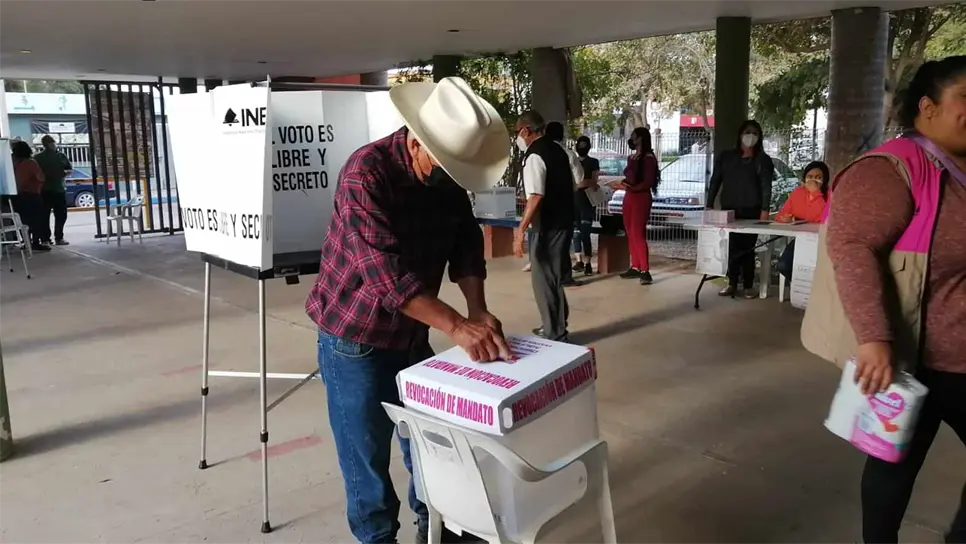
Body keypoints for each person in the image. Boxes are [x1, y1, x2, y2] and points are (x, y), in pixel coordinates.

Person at [304, 76, 510, 544]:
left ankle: (434, 528)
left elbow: (465, 245)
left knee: (430, 444)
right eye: (444, 167)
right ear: (417, 142)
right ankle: (378, 538)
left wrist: (477, 311)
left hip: (414, 333)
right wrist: (457, 326)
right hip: (355, 339)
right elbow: (385, 276)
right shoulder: (366, 173)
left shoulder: (447, 178)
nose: (450, 180)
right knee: (366, 457)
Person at [802, 56, 966, 544]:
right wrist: (873, 338)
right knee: (893, 461)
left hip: (957, 351)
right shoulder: (892, 168)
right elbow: (851, 248)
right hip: (915, 355)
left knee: (894, 458)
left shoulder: (959, 170)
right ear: (928, 108)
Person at [512, 110, 575, 341]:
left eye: (518, 131)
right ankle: (556, 325)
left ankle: (554, 332)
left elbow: (536, 195)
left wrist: (520, 231)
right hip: (564, 221)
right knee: (554, 277)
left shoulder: (534, 155)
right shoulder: (557, 149)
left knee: (544, 279)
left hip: (547, 225)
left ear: (525, 130)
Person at [707, 120, 774, 299]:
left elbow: (766, 186)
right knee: (731, 247)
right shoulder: (726, 157)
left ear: (759, 137)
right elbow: (715, 180)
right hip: (729, 209)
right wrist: (709, 203)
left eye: (754, 133)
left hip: (752, 210)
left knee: (748, 249)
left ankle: (749, 285)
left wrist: (765, 209)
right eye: (747, 132)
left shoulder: (763, 160)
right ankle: (732, 282)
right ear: (740, 134)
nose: (750, 136)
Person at [613, 127, 658, 285]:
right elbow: (630, 176)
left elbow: (648, 181)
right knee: (630, 232)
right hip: (630, 197)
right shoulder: (632, 157)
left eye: (634, 136)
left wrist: (631, 187)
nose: (631, 138)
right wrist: (626, 185)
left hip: (641, 197)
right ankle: (635, 266)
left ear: (641, 138)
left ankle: (645, 270)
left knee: (638, 233)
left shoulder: (648, 158)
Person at [544, 121, 584, 286]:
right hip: (566, 203)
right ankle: (565, 277)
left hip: (545, 203)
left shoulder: (540, 153)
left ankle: (550, 275)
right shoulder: (568, 154)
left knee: (548, 241)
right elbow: (579, 179)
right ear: (562, 135)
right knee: (563, 241)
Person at [774, 160, 829, 278]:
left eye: (818, 177)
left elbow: (826, 218)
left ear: (825, 180)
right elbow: (780, 216)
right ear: (804, 180)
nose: (813, 180)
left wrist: (816, 193)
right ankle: (800, 288)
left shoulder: (830, 194)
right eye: (810, 177)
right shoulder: (797, 193)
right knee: (783, 265)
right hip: (801, 240)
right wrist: (785, 218)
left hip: (823, 241)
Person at [35, 135, 73, 246]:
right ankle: (51, 238)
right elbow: (69, 170)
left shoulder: (59, 156)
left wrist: (63, 173)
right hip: (50, 190)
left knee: (55, 215)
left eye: (52, 143)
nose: (52, 145)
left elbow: (69, 169)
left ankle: (52, 238)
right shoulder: (40, 157)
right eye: (51, 143)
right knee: (49, 215)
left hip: (53, 190)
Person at [11, 140, 48, 251]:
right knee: (36, 219)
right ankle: (35, 242)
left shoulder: (13, 163)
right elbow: (41, 177)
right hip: (32, 195)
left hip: (17, 195)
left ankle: (26, 242)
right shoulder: (31, 163)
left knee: (23, 220)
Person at [572, 136, 601, 275]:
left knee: (585, 233)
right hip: (573, 202)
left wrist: (578, 184)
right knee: (575, 233)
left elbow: (594, 182)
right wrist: (583, 183)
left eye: (584, 144)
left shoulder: (593, 162)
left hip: (588, 202)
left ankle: (588, 262)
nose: (581, 147)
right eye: (580, 144)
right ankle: (579, 261)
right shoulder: (573, 161)